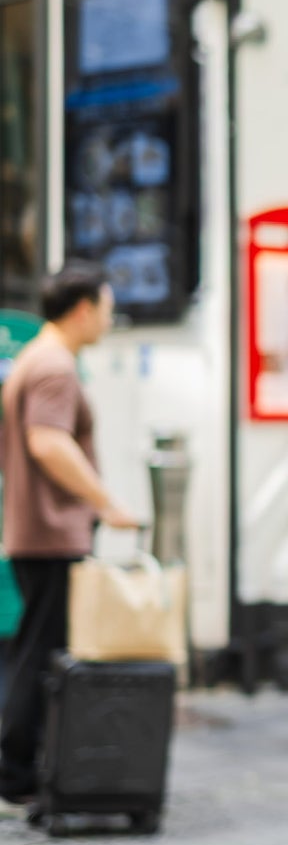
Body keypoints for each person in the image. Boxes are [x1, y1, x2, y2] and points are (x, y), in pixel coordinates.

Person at [0, 263, 137, 810]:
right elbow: (48, 443)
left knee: (31, 648)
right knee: (39, 653)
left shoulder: (33, 360)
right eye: (106, 307)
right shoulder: (55, 366)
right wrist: (106, 501)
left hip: (35, 527)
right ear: (82, 308)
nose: (108, 319)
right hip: (52, 531)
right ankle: (15, 771)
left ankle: (18, 764)